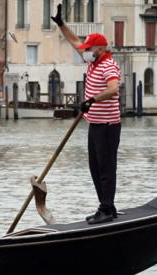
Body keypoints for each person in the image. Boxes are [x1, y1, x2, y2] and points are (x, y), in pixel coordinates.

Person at [51, 4, 122, 224]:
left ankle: (107, 209)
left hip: (109, 125)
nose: (86, 51)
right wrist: (62, 24)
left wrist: (91, 100)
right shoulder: (92, 60)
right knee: (94, 167)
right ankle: (105, 205)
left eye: (90, 49)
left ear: (100, 49)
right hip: (95, 123)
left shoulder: (108, 65)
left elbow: (113, 89)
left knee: (106, 167)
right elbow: (74, 41)